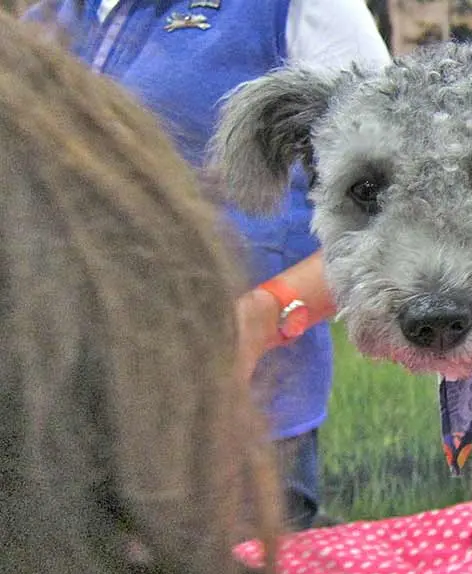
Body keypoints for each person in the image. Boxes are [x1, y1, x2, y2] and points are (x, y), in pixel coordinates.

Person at [0, 10, 299, 574]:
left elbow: (387, 186)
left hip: (230, 394)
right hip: (80, 412)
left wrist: (267, 310)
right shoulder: (56, 13)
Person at [29, 0, 392, 528]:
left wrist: (264, 315)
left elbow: (403, 201)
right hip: (62, 418)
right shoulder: (52, 16)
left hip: (233, 426)